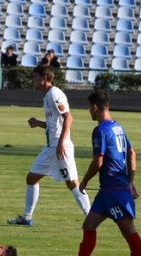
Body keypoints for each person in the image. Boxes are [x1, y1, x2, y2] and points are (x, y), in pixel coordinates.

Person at [56, 90, 141, 256]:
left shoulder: (100, 130)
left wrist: (83, 181)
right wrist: (130, 181)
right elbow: (131, 153)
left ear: (94, 107)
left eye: (88, 108)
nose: (88, 112)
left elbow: (98, 161)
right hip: (109, 190)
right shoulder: (117, 127)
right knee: (89, 225)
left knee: (129, 231)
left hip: (113, 189)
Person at [8, 64, 91, 226]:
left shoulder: (55, 93)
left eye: (35, 77)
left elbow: (68, 118)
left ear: (44, 78)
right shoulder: (46, 97)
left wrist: (60, 143)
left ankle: (90, 217)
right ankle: (26, 217)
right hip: (50, 147)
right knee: (32, 178)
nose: (33, 80)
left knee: (72, 182)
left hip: (60, 147)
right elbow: (55, 124)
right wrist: (39, 123)